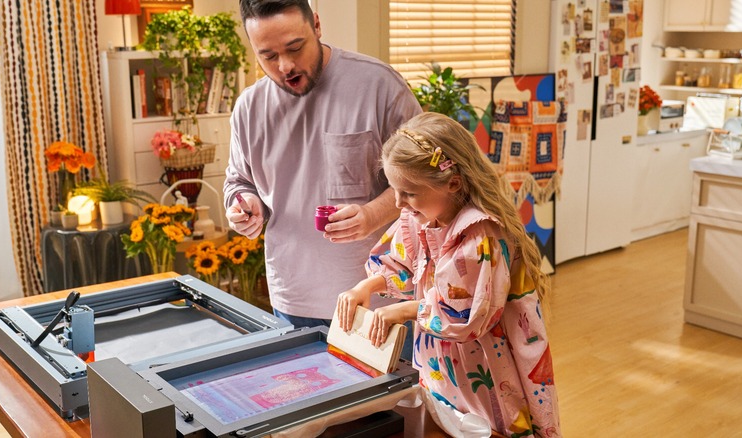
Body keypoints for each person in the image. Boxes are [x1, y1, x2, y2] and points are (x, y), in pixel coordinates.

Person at [336, 112, 561, 437]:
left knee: (484, 430)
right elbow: (399, 264)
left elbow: (465, 314)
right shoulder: (419, 217)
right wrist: (367, 286)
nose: (399, 202)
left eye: (409, 193)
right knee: (444, 423)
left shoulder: (480, 235)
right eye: (394, 189)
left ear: (452, 183)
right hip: (439, 368)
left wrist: (403, 310)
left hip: (483, 376)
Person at [223, 0, 422, 329]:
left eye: (295, 47)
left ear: (316, 25)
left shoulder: (379, 86)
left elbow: (426, 178)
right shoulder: (249, 108)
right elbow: (238, 182)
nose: (285, 66)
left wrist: (372, 214)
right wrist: (242, 206)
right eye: (268, 56)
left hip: (379, 300)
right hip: (291, 298)